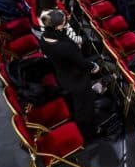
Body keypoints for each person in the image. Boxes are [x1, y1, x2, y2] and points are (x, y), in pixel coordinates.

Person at [38, 9, 103, 138]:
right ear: (58, 26)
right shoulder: (65, 47)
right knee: (84, 106)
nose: (66, 23)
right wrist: (94, 66)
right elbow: (80, 62)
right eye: (64, 22)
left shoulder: (44, 38)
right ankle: (89, 132)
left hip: (62, 74)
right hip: (77, 79)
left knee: (78, 103)